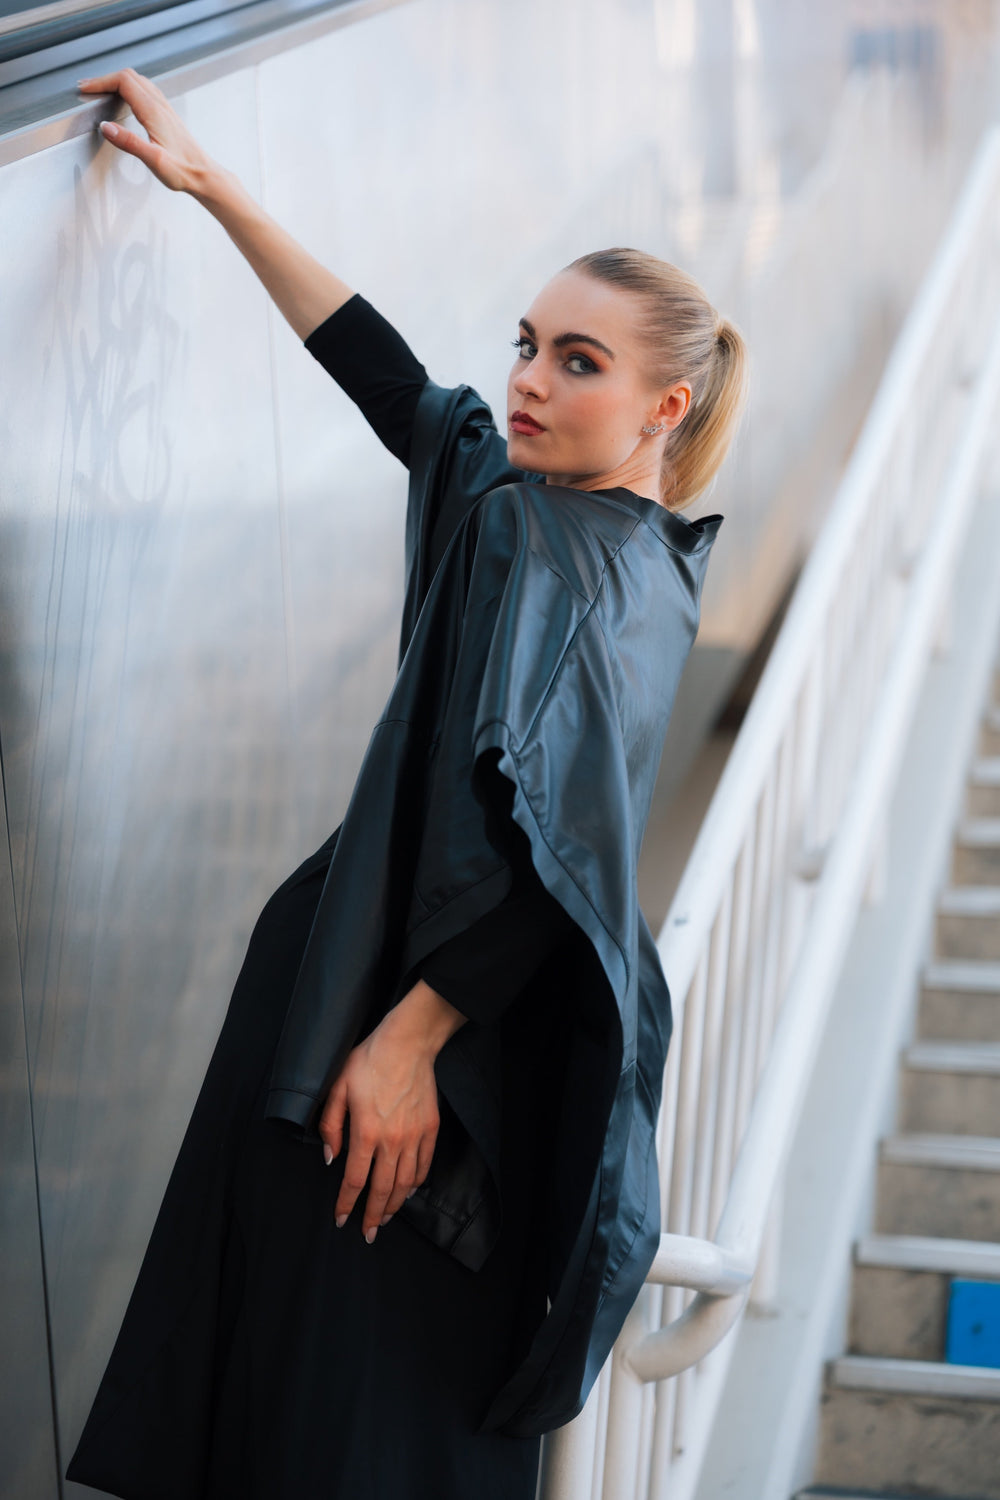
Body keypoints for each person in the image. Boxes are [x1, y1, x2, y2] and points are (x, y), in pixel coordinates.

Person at [65, 68, 748, 1500]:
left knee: (348, 1429)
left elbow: (561, 856)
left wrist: (409, 1041)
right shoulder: (561, 532)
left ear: (665, 405)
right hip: (369, 1020)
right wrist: (216, 189)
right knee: (305, 1412)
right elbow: (389, 378)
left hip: (406, 1066)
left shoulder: (586, 569)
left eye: (578, 362)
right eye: (528, 345)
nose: (529, 380)